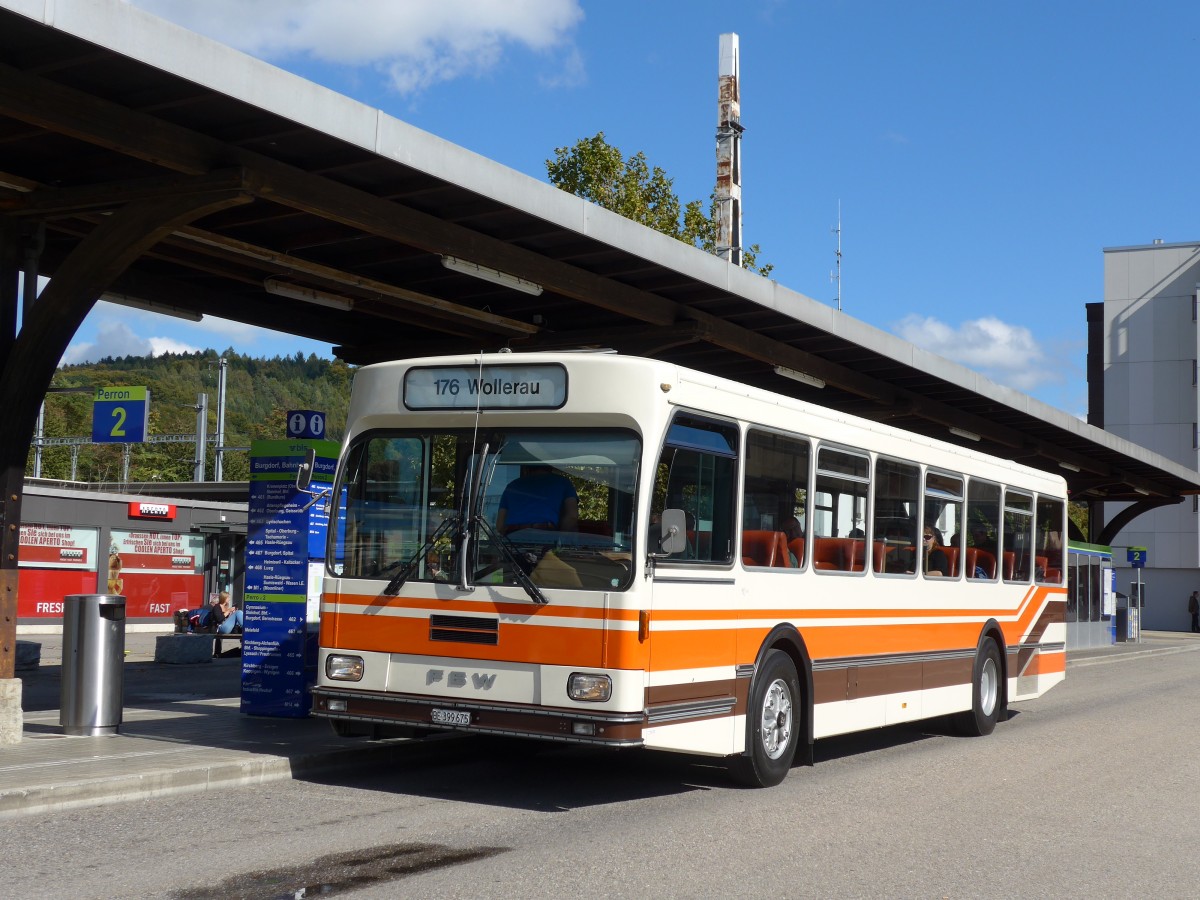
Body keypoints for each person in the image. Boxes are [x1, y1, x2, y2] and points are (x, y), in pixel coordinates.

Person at [495, 465, 578, 536]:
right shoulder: (564, 483)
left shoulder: (512, 486)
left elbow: (500, 526)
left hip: (512, 539)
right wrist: (560, 538)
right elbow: (572, 516)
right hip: (545, 537)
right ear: (551, 466)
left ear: (526, 468)